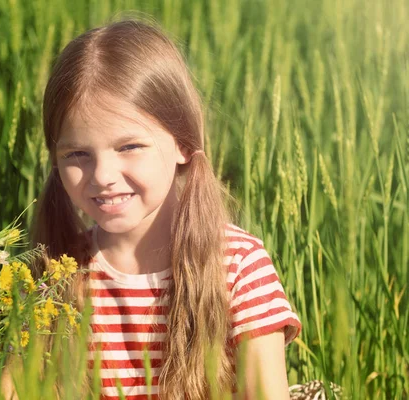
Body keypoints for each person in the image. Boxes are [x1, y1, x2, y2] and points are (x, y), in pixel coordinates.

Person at [28, 18, 301, 400]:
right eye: (77, 154)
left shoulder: (238, 267)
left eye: (129, 147)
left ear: (182, 144)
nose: (103, 175)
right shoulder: (53, 272)